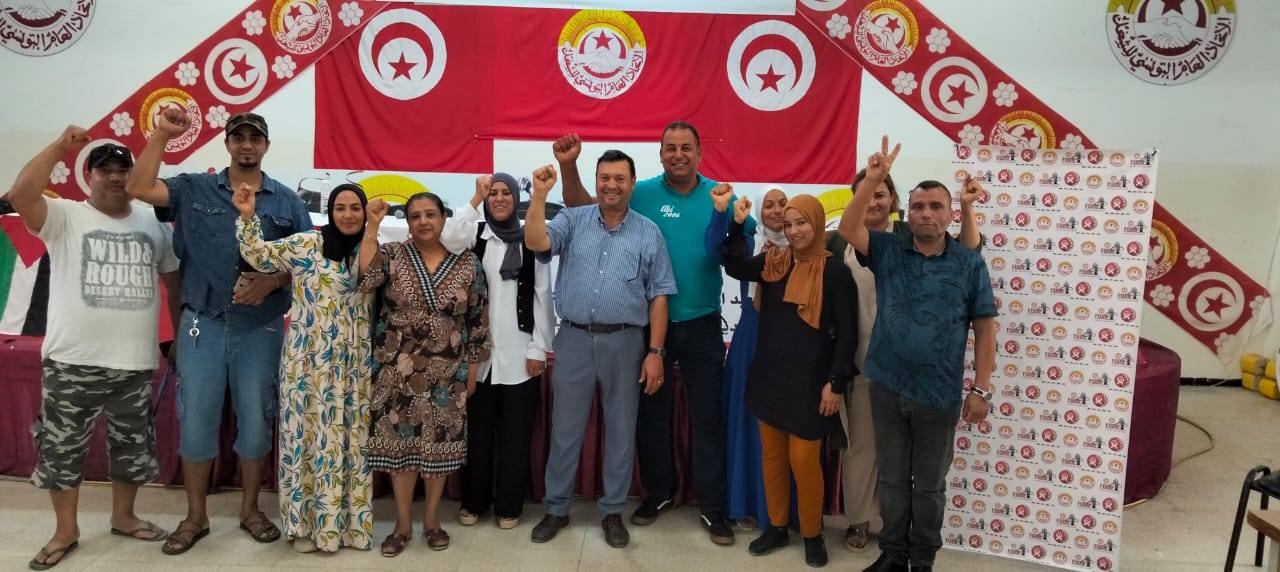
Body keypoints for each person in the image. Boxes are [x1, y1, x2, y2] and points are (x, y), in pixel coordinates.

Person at [554, 124, 752, 545]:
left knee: (707, 419)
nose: (678, 155)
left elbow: (747, 235)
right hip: (648, 328)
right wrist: (569, 168)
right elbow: (583, 209)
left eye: (686, 148)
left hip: (702, 324)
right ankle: (658, 494)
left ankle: (714, 508)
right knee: (651, 417)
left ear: (699, 153)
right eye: (670, 148)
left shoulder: (721, 195)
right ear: (660, 155)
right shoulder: (639, 191)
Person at [126, 109, 313, 554]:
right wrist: (162, 134)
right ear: (227, 144)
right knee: (196, 422)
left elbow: (310, 263)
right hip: (202, 325)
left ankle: (250, 510)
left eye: (255, 138)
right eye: (239, 137)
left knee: (256, 422)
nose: (247, 145)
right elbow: (139, 187)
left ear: (266, 146)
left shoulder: (287, 202)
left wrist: (273, 281)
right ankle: (195, 517)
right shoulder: (194, 188)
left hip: (260, 328)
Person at [8, 128, 180, 570]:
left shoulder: (152, 223)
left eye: (123, 169)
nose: (116, 177)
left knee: (132, 449)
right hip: (73, 361)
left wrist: (178, 336)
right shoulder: (65, 215)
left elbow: (173, 281)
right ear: (89, 176)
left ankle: (124, 517)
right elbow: (21, 194)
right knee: (62, 452)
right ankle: (65, 531)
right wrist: (59, 147)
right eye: (106, 170)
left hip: (134, 362)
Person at [837, 137, 997, 572]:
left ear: (949, 214)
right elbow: (848, 230)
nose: (926, 213)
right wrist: (871, 181)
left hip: (939, 394)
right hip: (887, 386)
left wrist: (981, 388)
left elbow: (985, 329)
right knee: (891, 480)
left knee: (929, 486)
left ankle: (922, 560)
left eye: (935, 206)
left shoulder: (968, 263)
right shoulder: (888, 249)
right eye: (919, 206)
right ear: (906, 213)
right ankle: (893, 555)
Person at [524, 153, 676, 549]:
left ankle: (612, 512)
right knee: (565, 430)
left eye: (620, 178)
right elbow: (537, 241)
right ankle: (557, 508)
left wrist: (655, 351)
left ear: (632, 183)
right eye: (605, 177)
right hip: (573, 339)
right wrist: (539, 195)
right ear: (596, 180)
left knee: (622, 431)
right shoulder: (572, 219)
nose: (612, 185)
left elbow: (660, 296)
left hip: (626, 343)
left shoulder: (649, 232)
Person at [233, 182, 376, 553]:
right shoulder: (306, 244)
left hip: (352, 365)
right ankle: (304, 527)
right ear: (330, 212)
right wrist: (248, 217)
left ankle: (348, 527)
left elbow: (371, 279)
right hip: (307, 362)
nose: (348, 215)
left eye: (355, 208)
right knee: (306, 440)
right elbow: (258, 256)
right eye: (341, 207)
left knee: (349, 442)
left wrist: (373, 230)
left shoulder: (371, 249)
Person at [718, 194, 858, 568]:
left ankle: (812, 534)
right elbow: (733, 265)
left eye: (802, 223)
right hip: (770, 377)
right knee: (773, 458)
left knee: (804, 461)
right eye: (789, 223)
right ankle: (778, 527)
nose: (794, 231)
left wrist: (836, 383)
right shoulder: (774, 262)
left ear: (817, 223)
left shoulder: (835, 272)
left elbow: (848, 333)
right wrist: (736, 224)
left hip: (810, 383)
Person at [356, 192, 489, 556]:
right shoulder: (393, 254)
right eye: (415, 216)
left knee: (438, 450)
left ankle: (432, 523)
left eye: (431, 214)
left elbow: (477, 319)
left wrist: (472, 368)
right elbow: (365, 279)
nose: (423, 221)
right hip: (396, 371)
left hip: (448, 374)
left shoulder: (467, 262)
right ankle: (402, 526)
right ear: (408, 223)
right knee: (400, 450)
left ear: (444, 219)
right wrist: (372, 226)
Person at [445, 173, 554, 529]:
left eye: (506, 193)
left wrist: (539, 348)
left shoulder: (531, 239)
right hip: (479, 358)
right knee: (478, 436)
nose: (500, 198)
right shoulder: (475, 237)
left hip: (520, 356)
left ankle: (509, 505)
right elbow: (448, 237)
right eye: (493, 193)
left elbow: (542, 295)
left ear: (516, 198)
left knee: (515, 437)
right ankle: (474, 502)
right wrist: (474, 199)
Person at [704, 185, 789, 530]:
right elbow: (725, 256)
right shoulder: (748, 243)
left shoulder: (805, 248)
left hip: (788, 344)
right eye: (768, 205)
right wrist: (735, 223)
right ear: (759, 212)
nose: (776, 210)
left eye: (783, 204)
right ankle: (745, 503)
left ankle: (780, 511)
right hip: (751, 341)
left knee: (781, 425)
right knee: (748, 421)